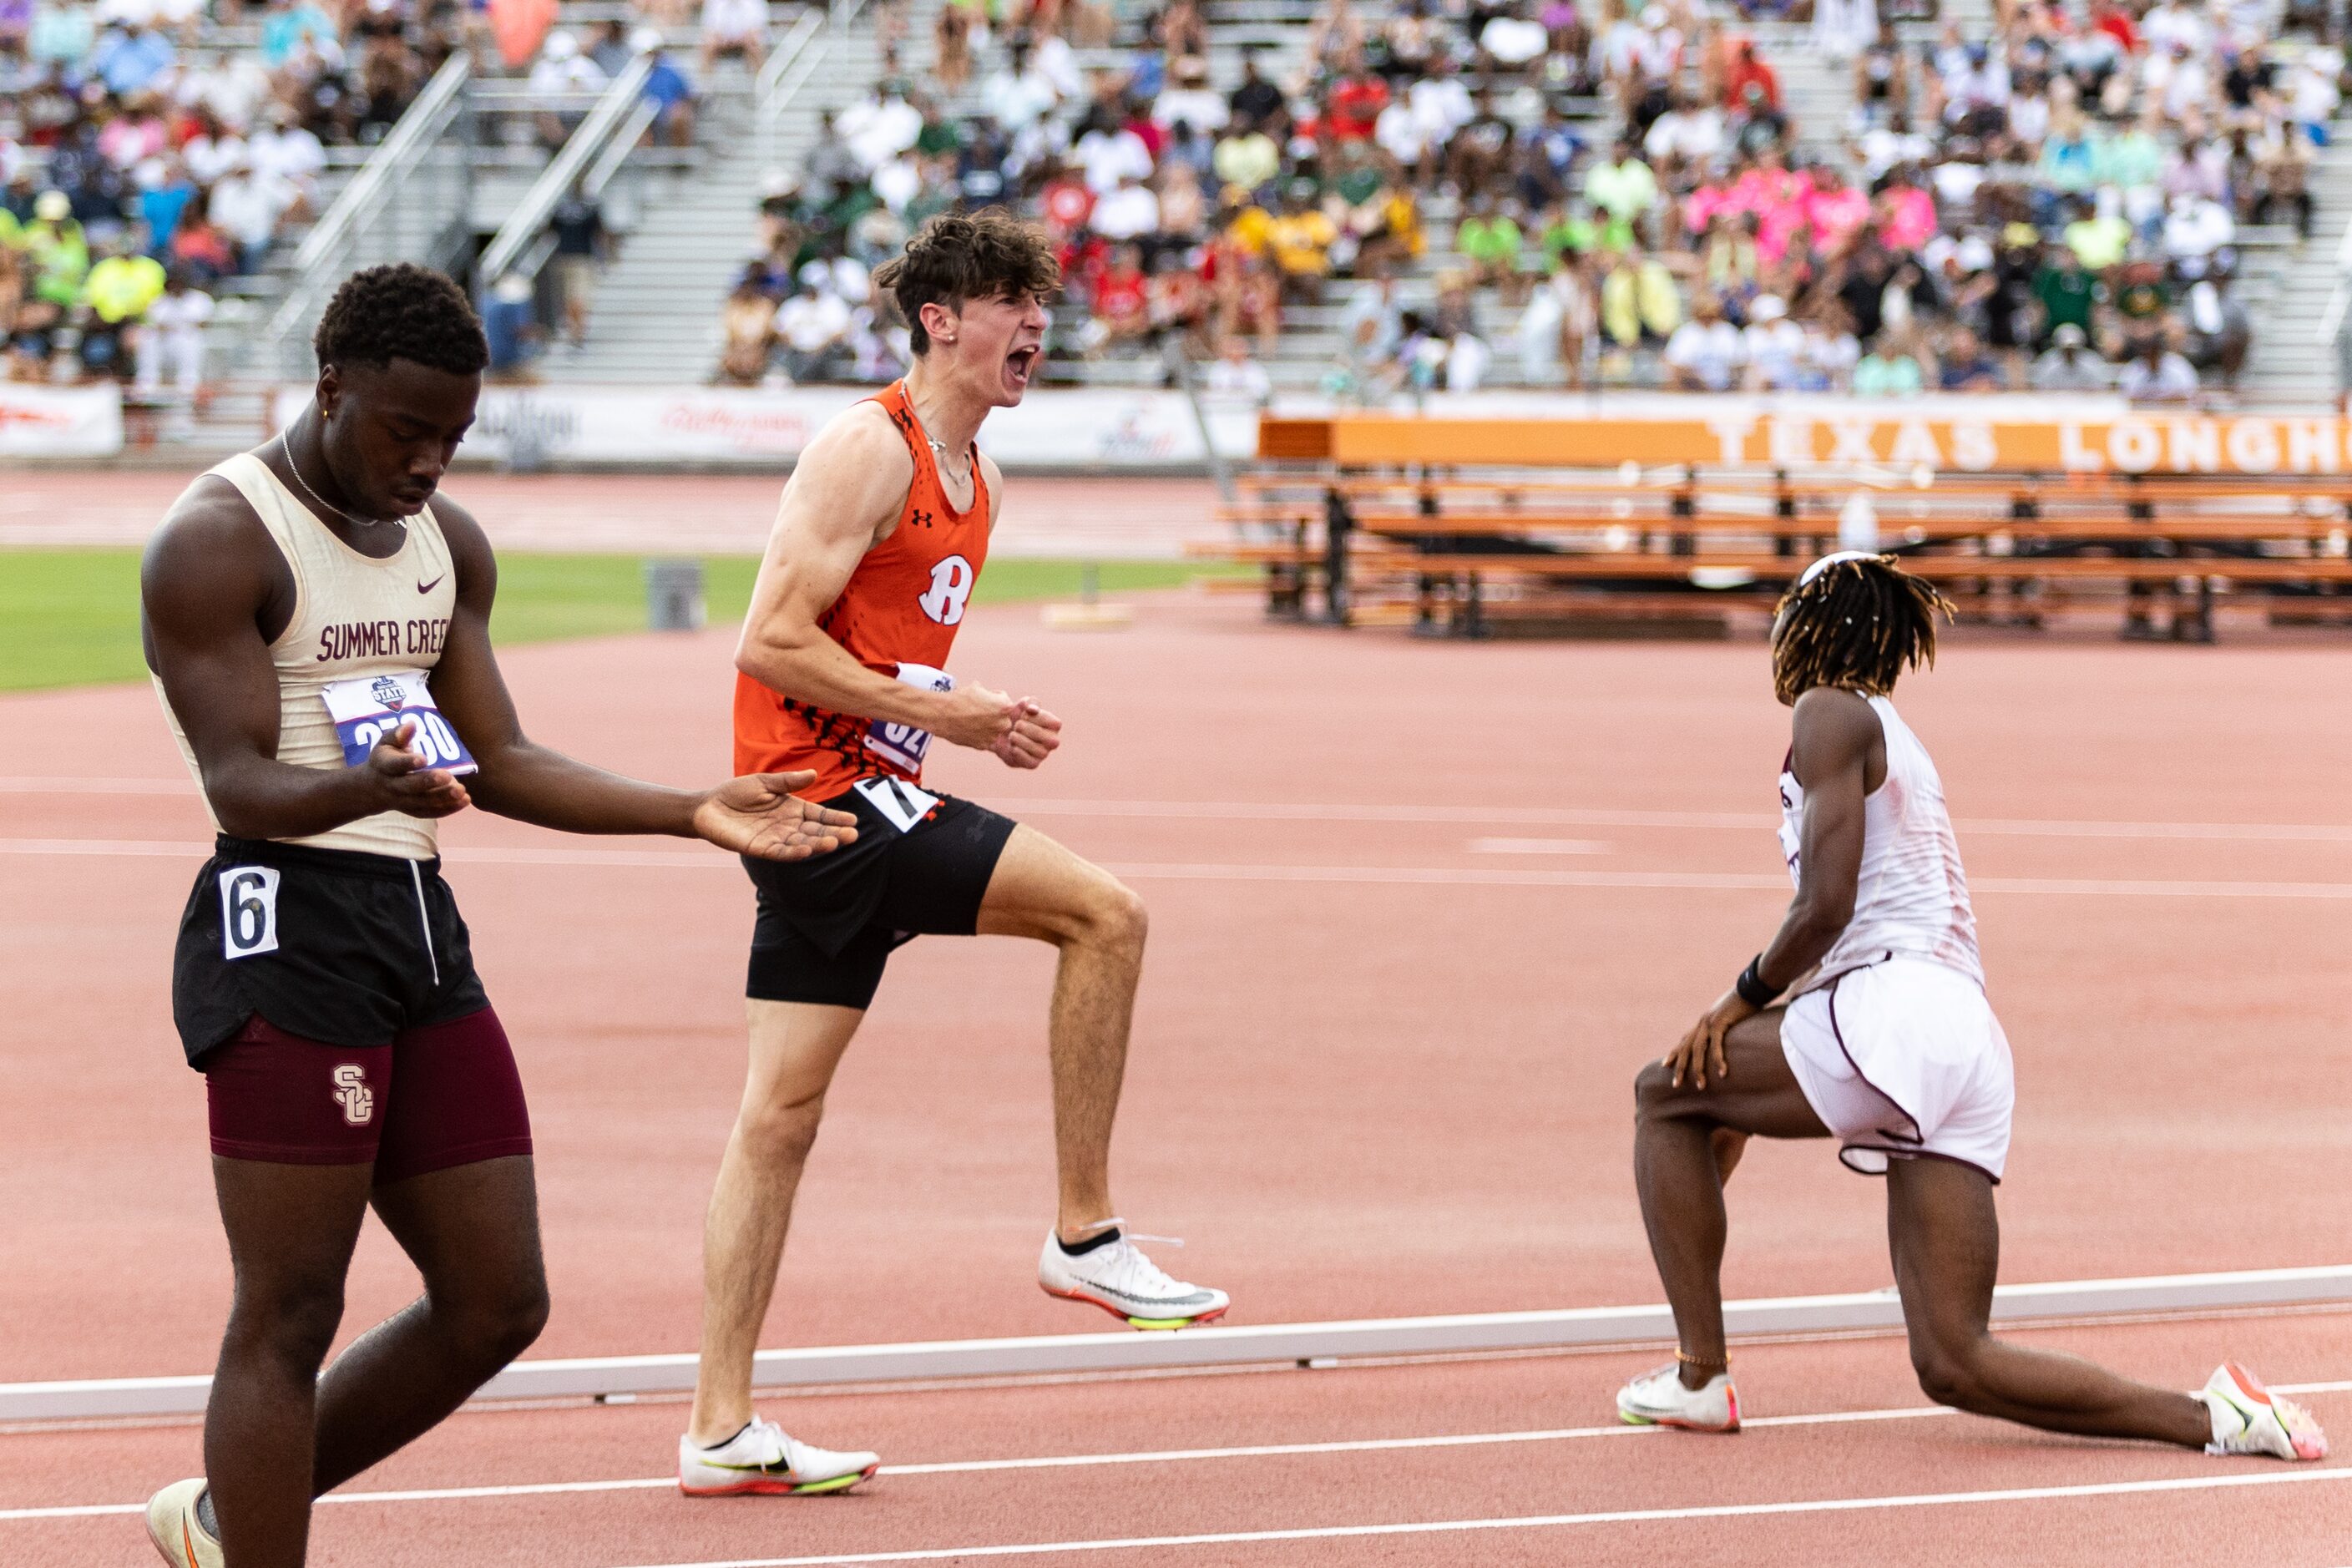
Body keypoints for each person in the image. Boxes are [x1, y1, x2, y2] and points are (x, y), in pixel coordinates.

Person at [139, 264, 855, 1568]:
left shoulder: (446, 541)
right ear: (331, 388)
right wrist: (364, 783)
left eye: (454, 435)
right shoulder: (219, 537)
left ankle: (222, 1515)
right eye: (405, 430)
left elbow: (503, 756)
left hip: (414, 917)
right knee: (290, 1309)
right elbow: (236, 776)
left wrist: (690, 807)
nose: (430, 460)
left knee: (494, 1299)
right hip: (284, 924)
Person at [687, 211, 1228, 1498]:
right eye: (1009, 303)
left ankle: (717, 1426)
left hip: (837, 813)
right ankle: (1085, 1231)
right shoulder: (868, 446)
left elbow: (872, 646)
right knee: (1106, 916)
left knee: (777, 1118)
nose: (1036, 324)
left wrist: (933, 715)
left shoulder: (978, 474)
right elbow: (769, 638)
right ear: (940, 320)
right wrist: (953, 715)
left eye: (1043, 305)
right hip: (830, 800)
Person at [1616, 551, 2329, 1466]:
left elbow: (1825, 906)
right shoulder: (1895, 733)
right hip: (1965, 1037)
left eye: (1785, 614)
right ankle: (2218, 1418)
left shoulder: (1828, 710)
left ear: (1814, 625)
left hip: (1896, 1010)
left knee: (1663, 1093)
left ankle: (1698, 1375)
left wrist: (1735, 1001)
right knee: (1956, 1361)